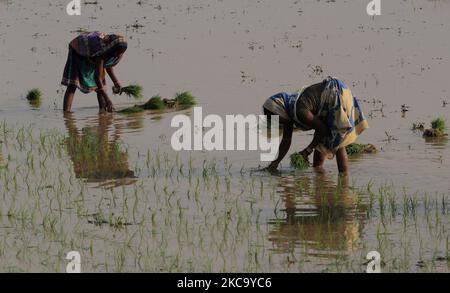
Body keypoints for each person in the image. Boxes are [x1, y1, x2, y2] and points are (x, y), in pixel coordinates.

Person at [263, 77, 369, 174]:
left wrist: (307, 150)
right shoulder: (289, 112)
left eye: (277, 118)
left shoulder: (300, 110)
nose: (279, 123)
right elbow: (286, 141)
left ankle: (343, 183)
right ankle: (320, 178)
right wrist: (275, 163)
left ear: (279, 110)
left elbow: (322, 129)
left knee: (339, 144)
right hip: (334, 96)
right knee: (321, 141)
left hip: (335, 96)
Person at [61, 31, 128, 113]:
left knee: (101, 86)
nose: (118, 55)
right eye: (117, 52)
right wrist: (108, 99)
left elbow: (108, 64)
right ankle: (66, 113)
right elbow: (97, 77)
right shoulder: (101, 50)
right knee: (73, 83)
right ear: (113, 49)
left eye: (121, 52)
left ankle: (102, 112)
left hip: (94, 55)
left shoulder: (115, 50)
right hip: (79, 50)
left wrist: (116, 82)